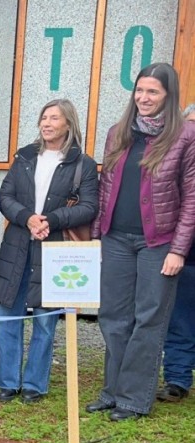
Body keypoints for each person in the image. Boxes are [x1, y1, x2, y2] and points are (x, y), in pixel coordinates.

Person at [87, 63, 195, 421]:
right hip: (115, 238)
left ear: (168, 95)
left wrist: (178, 249)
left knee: (148, 320)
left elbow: (192, 198)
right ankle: (112, 391)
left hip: (158, 243)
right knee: (113, 317)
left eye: (153, 92)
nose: (144, 98)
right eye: (140, 90)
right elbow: (105, 186)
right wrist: (97, 235)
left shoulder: (186, 136)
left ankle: (133, 399)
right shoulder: (118, 132)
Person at [0, 99, 98, 404]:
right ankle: (7, 382)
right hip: (18, 244)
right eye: (44, 117)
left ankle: (35, 384)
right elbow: (5, 196)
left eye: (54, 118)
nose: (47, 123)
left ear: (68, 124)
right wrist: (27, 218)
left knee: (45, 319)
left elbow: (89, 206)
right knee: (6, 313)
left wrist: (51, 220)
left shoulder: (83, 163)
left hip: (54, 246)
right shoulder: (24, 156)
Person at [156, 102, 195, 403]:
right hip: (184, 254)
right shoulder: (173, 163)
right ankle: (178, 379)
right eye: (191, 124)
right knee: (179, 318)